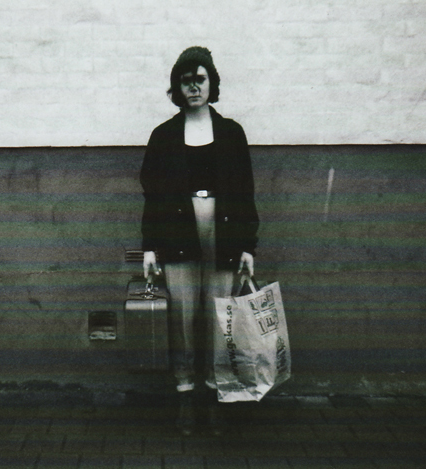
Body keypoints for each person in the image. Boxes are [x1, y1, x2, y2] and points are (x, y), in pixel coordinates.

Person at [139, 46, 259, 436]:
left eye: (200, 79)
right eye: (186, 80)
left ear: (212, 83)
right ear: (177, 86)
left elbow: (244, 192)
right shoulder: (163, 137)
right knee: (183, 317)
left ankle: (216, 396)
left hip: (223, 233)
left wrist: (247, 246)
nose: (194, 87)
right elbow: (153, 195)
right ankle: (186, 396)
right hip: (178, 234)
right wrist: (150, 247)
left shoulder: (231, 133)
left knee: (220, 317)